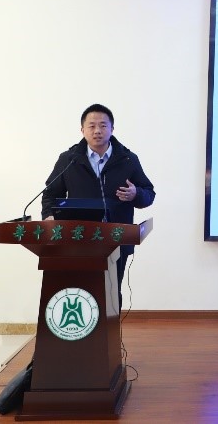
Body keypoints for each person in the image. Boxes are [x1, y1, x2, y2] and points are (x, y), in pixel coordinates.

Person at [41, 103, 155, 309]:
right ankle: (83, 330)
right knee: (82, 292)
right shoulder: (69, 160)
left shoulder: (128, 159)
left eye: (103, 125)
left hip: (116, 239)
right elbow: (50, 194)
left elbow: (149, 194)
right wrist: (49, 216)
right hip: (78, 240)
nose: (97, 131)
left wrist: (136, 194)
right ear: (82, 130)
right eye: (91, 126)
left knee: (111, 292)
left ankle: (111, 330)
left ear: (112, 129)